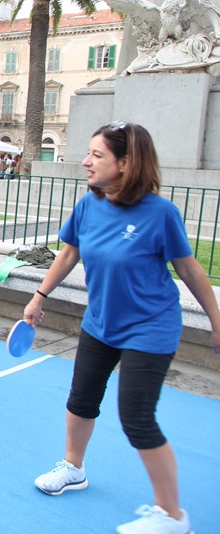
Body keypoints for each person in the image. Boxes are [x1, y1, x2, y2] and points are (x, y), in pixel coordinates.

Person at [24, 122, 220, 534]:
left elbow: (190, 269)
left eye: (97, 155)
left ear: (126, 163)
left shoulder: (160, 213)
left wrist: (217, 323)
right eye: (88, 153)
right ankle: (73, 468)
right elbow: (68, 254)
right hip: (101, 322)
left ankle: (172, 516)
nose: (85, 161)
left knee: (137, 417)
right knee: (81, 400)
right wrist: (39, 295)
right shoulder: (88, 204)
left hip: (150, 327)